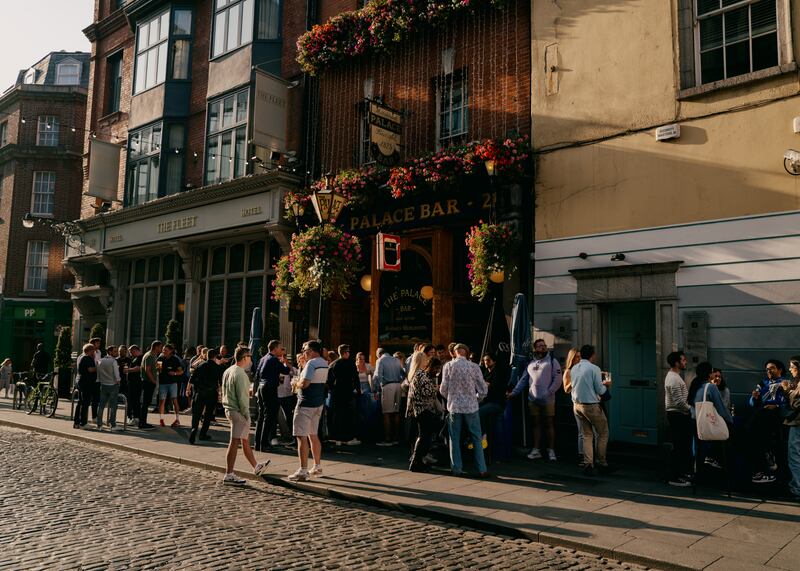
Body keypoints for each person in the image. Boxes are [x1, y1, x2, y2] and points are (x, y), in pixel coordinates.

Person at [221, 347, 270, 485]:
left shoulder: (228, 370)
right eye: (249, 357)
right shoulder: (241, 374)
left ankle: (256, 466)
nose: (251, 360)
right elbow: (243, 398)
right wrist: (246, 414)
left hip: (229, 409)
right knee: (235, 442)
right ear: (244, 358)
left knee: (244, 440)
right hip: (238, 411)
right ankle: (229, 474)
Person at [508, 339, 562, 461]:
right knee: (536, 425)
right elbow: (523, 380)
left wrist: (548, 393)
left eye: (544, 346)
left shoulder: (552, 362)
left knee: (549, 425)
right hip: (533, 400)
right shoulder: (531, 364)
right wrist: (514, 393)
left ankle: (551, 450)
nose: (542, 348)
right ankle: (536, 450)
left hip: (548, 400)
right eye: (539, 346)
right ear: (535, 348)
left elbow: (558, 380)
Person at [440, 343, 489, 477]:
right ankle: (482, 469)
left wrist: (451, 398)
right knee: (476, 438)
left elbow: (443, 389)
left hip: (454, 407)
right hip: (471, 407)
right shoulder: (474, 367)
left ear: (454, 353)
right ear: (466, 353)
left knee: (454, 439)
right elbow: (483, 390)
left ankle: (456, 469)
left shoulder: (448, 366)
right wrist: (476, 399)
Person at [288, 340, 329, 482]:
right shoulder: (324, 362)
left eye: (305, 350)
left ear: (311, 351)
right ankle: (317, 466)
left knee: (301, 436)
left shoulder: (311, 363)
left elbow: (305, 383)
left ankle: (303, 470)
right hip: (318, 404)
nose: (304, 352)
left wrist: (296, 383)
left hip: (306, 404)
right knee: (313, 435)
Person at [569, 345, 612, 476]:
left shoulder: (574, 368)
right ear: (593, 355)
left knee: (587, 434)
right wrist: (607, 387)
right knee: (603, 433)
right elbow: (599, 390)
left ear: (581, 355)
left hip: (577, 405)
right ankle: (601, 462)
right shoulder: (594, 368)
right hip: (591, 405)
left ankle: (588, 463)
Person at [747, 359, 789, 484]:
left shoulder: (784, 382)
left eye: (772, 368)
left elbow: (787, 402)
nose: (769, 371)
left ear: (780, 370)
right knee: (755, 435)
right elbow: (751, 403)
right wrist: (754, 398)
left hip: (775, 415)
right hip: (762, 414)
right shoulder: (763, 383)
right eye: (767, 369)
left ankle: (768, 457)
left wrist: (776, 406)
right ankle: (765, 459)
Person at [254, 340, 291, 451]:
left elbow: (257, 375)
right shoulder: (274, 359)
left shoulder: (263, 358)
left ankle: (257, 443)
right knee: (269, 416)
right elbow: (286, 371)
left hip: (261, 387)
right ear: (274, 349)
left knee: (261, 416)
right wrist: (285, 362)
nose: (281, 350)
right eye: (280, 348)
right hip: (269, 388)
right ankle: (264, 443)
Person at [407, 358, 443, 472]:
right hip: (423, 410)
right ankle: (416, 461)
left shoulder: (420, 374)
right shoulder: (423, 377)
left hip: (419, 410)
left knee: (424, 435)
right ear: (431, 366)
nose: (437, 371)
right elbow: (427, 392)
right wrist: (436, 388)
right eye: (436, 368)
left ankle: (418, 460)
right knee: (424, 436)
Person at [664, 351, 693, 487]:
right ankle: (674, 477)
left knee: (682, 446)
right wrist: (692, 410)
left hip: (678, 414)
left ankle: (681, 473)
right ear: (676, 363)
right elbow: (678, 402)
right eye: (683, 360)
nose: (685, 362)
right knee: (679, 446)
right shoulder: (673, 378)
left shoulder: (675, 376)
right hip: (677, 415)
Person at [562, 348, 593, 463]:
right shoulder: (568, 372)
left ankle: (590, 456)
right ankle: (581, 456)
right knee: (582, 432)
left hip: (590, 403)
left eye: (580, 357)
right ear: (572, 358)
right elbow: (566, 389)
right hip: (577, 404)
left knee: (591, 432)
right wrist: (574, 380)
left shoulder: (584, 369)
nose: (579, 359)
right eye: (576, 357)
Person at [327, 344, 361, 446]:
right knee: (349, 416)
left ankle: (337, 437)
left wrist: (332, 389)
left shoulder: (333, 364)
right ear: (345, 352)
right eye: (348, 352)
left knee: (337, 416)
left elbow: (329, 381)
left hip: (336, 393)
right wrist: (358, 390)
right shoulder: (350, 364)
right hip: (347, 392)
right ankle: (348, 438)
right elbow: (355, 378)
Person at [188, 348, 223, 444]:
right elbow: (220, 382)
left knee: (196, 413)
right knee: (208, 415)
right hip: (211, 393)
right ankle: (203, 434)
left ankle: (194, 429)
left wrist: (195, 389)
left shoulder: (200, 365)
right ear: (215, 357)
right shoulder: (217, 367)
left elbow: (192, 379)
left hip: (200, 392)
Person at [374, 347, 405, 446]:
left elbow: (377, 376)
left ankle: (388, 439)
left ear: (379, 354)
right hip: (398, 386)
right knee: (396, 412)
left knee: (386, 413)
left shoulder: (380, 360)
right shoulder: (396, 360)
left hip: (388, 386)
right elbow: (403, 373)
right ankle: (396, 437)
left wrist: (375, 389)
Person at [478, 353, 507, 443]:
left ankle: (483, 435)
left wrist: (485, 385)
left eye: (488, 360)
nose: (486, 362)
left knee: (479, 412)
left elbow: (491, 388)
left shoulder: (498, 373)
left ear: (494, 361)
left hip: (496, 403)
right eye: (485, 360)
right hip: (487, 401)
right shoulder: (486, 373)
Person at [157, 344, 184, 427]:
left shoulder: (175, 360)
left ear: (171, 351)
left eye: (166, 350)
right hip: (162, 383)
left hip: (172, 383)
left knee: (174, 400)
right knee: (162, 401)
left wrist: (175, 373)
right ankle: (161, 419)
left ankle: (177, 419)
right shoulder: (160, 358)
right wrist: (158, 369)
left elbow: (181, 371)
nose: (164, 351)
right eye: (163, 350)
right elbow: (158, 370)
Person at [96, 346, 122, 432]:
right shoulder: (113, 361)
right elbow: (116, 374)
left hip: (103, 385)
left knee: (101, 406)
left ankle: (99, 425)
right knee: (113, 406)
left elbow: (98, 373)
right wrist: (118, 381)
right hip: (113, 385)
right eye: (115, 351)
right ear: (110, 352)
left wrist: (101, 380)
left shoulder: (100, 361)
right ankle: (112, 425)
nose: (116, 353)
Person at [785, 359, 800, 499]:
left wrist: (786, 392)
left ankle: (796, 489)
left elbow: (795, 406)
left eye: (792, 367)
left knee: (794, 456)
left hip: (797, 423)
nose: (790, 369)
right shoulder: (796, 384)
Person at [73, 344, 97, 429]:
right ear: (89, 350)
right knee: (85, 403)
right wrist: (98, 367)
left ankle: (76, 423)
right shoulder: (87, 358)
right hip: (86, 383)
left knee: (80, 403)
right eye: (93, 350)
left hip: (80, 382)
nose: (94, 352)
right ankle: (83, 423)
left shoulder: (81, 357)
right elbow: (90, 369)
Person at [139, 340, 161, 429]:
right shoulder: (150, 356)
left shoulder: (152, 355)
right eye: (160, 347)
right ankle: (142, 423)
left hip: (148, 381)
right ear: (155, 347)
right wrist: (154, 381)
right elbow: (147, 370)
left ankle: (143, 422)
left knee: (146, 403)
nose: (161, 349)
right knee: (145, 403)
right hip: (148, 382)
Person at [126, 346, 143, 425]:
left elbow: (139, 368)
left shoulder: (140, 358)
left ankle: (136, 417)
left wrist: (128, 370)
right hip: (132, 382)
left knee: (135, 400)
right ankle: (134, 417)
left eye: (131, 352)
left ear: (135, 350)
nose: (130, 354)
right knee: (132, 400)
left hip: (136, 382)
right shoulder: (135, 358)